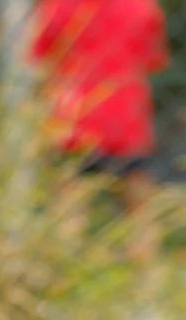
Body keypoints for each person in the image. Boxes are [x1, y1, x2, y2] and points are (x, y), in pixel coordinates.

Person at [31, 0, 168, 217]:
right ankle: (144, 248)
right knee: (139, 203)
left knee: (69, 200)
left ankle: (67, 248)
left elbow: (43, 58)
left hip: (76, 118)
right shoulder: (141, 6)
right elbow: (151, 60)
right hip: (126, 117)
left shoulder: (58, 5)